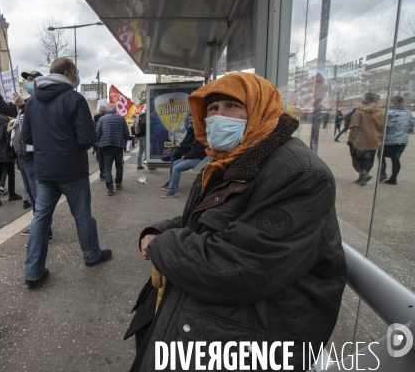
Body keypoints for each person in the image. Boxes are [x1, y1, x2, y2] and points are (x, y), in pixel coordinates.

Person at [125, 72, 346, 370]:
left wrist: (163, 245)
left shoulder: (298, 173)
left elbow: (242, 267)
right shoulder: (235, 158)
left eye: (232, 106)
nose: (218, 117)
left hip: (256, 334)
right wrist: (160, 230)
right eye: (212, 110)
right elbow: (208, 220)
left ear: (260, 109)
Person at [21, 57, 112, 287]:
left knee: (40, 219)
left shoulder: (32, 102)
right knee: (82, 215)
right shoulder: (74, 99)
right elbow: (87, 139)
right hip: (72, 170)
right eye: (75, 71)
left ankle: (33, 272)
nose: (76, 75)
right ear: (66, 73)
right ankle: (92, 255)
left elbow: (27, 137)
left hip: (43, 171)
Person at [0, 70, 54, 240]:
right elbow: (2, 106)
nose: (28, 82)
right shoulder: (24, 104)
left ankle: (44, 232)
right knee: (32, 195)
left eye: (31, 80)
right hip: (22, 157)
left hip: (33, 157)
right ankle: (40, 227)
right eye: (27, 80)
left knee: (38, 196)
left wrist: (23, 106)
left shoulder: (41, 101)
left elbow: (42, 119)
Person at [160, 115, 206, 198]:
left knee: (177, 167)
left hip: (200, 159)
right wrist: (184, 154)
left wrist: (186, 156)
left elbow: (197, 151)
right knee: (175, 163)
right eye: (190, 120)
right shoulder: (194, 132)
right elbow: (191, 147)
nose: (191, 122)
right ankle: (172, 185)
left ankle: (171, 191)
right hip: (194, 156)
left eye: (193, 120)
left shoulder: (202, 134)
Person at [347, 92, 386, 186]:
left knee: (356, 158)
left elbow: (354, 126)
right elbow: (386, 126)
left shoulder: (360, 111)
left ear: (365, 98)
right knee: (369, 160)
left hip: (361, 140)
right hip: (374, 139)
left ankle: (363, 174)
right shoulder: (381, 111)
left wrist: (350, 139)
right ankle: (363, 177)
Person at [0, 111, 21, 207]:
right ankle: (12, 194)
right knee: (11, 174)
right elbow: (9, 141)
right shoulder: (7, 124)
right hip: (6, 153)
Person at [96, 103, 130, 195]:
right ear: (116, 110)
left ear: (107, 110)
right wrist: (124, 143)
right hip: (118, 145)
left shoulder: (102, 119)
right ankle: (118, 183)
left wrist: (99, 144)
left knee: (107, 167)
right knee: (119, 165)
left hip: (106, 146)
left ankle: (110, 188)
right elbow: (126, 133)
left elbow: (97, 133)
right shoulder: (121, 119)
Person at [379, 95, 414, 185]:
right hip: (402, 140)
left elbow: (383, 126)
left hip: (389, 139)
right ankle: (393, 178)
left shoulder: (388, 112)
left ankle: (382, 173)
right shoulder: (408, 113)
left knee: (380, 155)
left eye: (390, 101)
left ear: (393, 102)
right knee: (395, 159)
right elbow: (411, 127)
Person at [93, 105, 108, 180]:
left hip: (97, 141)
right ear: (105, 111)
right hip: (105, 141)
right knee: (106, 158)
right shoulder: (106, 118)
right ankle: (106, 173)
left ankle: (102, 174)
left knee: (100, 159)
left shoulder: (95, 119)